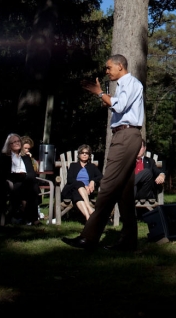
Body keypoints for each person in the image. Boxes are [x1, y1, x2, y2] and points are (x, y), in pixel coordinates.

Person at [62, 53, 144, 251]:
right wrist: (105, 98)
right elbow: (119, 106)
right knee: (124, 192)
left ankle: (88, 238)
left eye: (109, 68)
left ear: (120, 67)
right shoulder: (125, 85)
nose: (106, 72)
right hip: (124, 135)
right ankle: (128, 241)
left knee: (107, 187)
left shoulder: (130, 82)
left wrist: (99, 93)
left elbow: (120, 105)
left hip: (125, 137)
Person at [0, 133, 41, 224]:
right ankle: (30, 218)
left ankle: (30, 218)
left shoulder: (25, 157)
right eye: (14, 142)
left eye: (18, 141)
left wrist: (25, 177)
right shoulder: (4, 157)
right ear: (9, 145)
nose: (17, 143)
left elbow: (31, 173)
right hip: (11, 181)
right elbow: (2, 174)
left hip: (26, 181)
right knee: (28, 187)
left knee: (33, 186)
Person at [61, 144, 103, 222]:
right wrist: (83, 185)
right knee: (79, 183)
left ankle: (88, 218)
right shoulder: (73, 165)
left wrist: (92, 181)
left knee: (76, 194)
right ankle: (89, 208)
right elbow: (70, 179)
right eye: (82, 153)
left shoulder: (92, 167)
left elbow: (100, 176)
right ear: (79, 154)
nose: (84, 154)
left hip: (84, 192)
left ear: (89, 155)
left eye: (86, 153)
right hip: (69, 190)